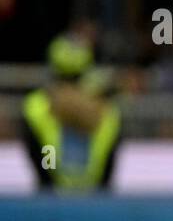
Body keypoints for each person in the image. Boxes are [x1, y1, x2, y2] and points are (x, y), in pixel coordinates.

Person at [22, 33, 121, 192]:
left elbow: (42, 160)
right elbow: (107, 167)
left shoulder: (36, 107)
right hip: (96, 202)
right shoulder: (108, 110)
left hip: (50, 201)